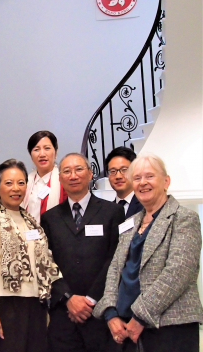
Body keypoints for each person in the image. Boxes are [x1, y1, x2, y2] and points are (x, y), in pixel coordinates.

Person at [93, 153, 203, 352]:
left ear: (166, 181)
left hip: (170, 327)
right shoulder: (130, 223)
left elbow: (178, 273)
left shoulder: (184, 218)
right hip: (126, 328)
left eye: (150, 176)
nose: (143, 183)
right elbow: (115, 269)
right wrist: (110, 313)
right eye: (137, 178)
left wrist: (141, 315)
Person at [41, 153, 125, 352]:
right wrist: (68, 297)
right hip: (63, 313)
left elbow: (115, 258)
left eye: (79, 169)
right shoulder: (49, 218)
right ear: (60, 179)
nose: (73, 175)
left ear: (89, 173)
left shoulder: (112, 212)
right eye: (67, 171)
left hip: (100, 312)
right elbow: (46, 262)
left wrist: (90, 300)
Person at [0, 159, 61, 352]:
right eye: (8, 183)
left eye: (21, 183)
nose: (16, 188)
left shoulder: (32, 222)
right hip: (3, 306)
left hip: (35, 306)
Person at [21, 130, 67, 223]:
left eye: (47, 148)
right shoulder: (24, 182)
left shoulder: (64, 180)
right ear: (31, 156)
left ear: (56, 152)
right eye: (36, 149)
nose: (42, 154)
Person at [105, 147, 143, 218]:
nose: (118, 176)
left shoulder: (145, 205)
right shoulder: (106, 210)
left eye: (124, 170)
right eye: (113, 171)